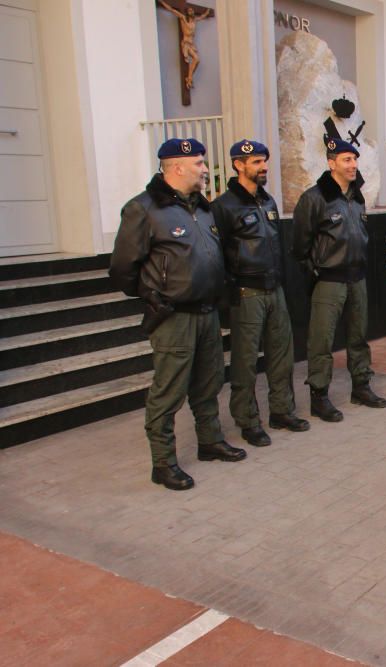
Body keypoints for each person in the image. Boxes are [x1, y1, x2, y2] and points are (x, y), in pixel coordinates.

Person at [109, 138, 246, 491]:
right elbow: (123, 268)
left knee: (209, 381)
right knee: (168, 391)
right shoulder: (143, 209)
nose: (205, 169)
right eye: (199, 163)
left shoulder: (201, 208)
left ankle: (210, 441)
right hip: (174, 316)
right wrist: (153, 296)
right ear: (178, 167)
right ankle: (164, 462)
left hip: (207, 310)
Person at [213, 140, 308, 447]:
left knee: (282, 354)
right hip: (246, 292)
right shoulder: (224, 206)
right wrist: (229, 295)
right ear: (238, 165)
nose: (263, 166)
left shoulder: (267, 202)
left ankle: (282, 410)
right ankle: (248, 420)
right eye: (255, 162)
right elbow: (218, 256)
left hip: (275, 289)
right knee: (245, 361)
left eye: (264, 161)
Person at [293, 138, 386, 421]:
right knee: (321, 341)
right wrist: (317, 272)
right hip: (329, 280)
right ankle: (319, 396)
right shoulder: (314, 198)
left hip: (357, 277)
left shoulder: (357, 197)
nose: (353, 165)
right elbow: (300, 246)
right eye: (346, 160)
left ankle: (361, 386)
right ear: (331, 163)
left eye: (354, 159)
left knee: (359, 336)